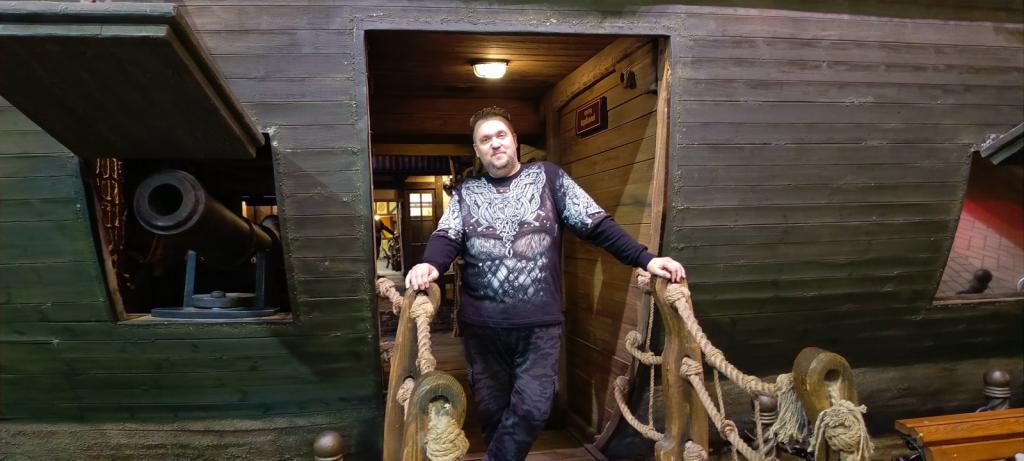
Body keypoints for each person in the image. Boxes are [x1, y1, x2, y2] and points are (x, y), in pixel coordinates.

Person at [405, 106, 684, 461]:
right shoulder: (465, 192)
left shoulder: (549, 178)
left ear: (515, 140)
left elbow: (597, 224)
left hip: (539, 327)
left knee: (533, 409)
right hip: (482, 329)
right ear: (477, 150)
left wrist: (646, 259)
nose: (494, 144)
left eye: (500, 135)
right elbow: (447, 236)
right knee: (492, 415)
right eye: (485, 140)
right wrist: (429, 264)